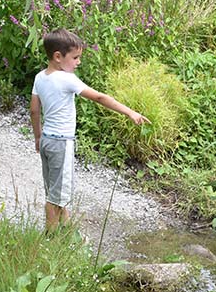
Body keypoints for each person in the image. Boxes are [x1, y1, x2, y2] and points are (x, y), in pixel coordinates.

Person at [30, 28, 148, 232]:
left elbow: (34, 110)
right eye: (75, 57)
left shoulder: (40, 77)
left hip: (47, 140)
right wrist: (130, 112)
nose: (78, 62)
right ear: (58, 56)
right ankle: (49, 239)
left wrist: (38, 137)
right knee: (55, 197)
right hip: (61, 143)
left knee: (56, 190)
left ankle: (67, 232)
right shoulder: (67, 79)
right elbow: (100, 97)